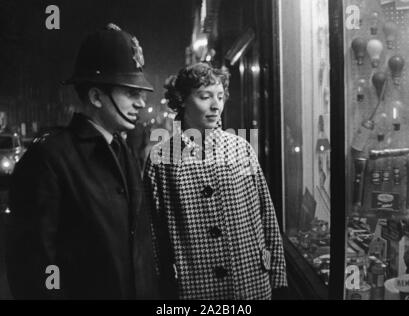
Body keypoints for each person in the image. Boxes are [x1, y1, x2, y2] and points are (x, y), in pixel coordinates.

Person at [6, 23, 159, 299]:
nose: (140, 103)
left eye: (141, 94)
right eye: (130, 93)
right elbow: (33, 269)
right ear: (96, 96)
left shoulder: (123, 150)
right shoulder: (49, 158)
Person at [144, 62, 287, 300]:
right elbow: (153, 230)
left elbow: (267, 215)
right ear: (182, 100)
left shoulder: (241, 147)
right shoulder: (162, 158)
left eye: (220, 97)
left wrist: (279, 277)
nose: (215, 105)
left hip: (249, 282)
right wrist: (163, 284)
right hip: (193, 287)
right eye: (204, 96)